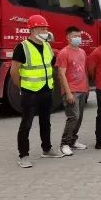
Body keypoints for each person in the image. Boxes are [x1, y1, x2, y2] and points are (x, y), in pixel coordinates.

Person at [10, 14, 64, 168]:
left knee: (45, 122)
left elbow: (50, 65)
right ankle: (23, 156)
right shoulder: (22, 47)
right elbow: (14, 71)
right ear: (32, 30)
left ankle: (47, 149)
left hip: (46, 90)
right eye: (42, 28)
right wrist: (21, 87)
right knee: (26, 124)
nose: (45, 31)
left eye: (46, 28)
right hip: (30, 92)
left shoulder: (47, 46)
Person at [56, 26, 89, 156]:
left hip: (82, 89)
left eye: (79, 36)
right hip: (71, 90)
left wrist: (86, 88)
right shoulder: (63, 53)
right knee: (73, 117)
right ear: (68, 38)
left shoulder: (82, 52)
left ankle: (73, 141)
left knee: (79, 118)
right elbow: (61, 74)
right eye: (75, 36)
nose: (78, 38)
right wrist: (68, 92)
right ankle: (64, 144)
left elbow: (83, 70)